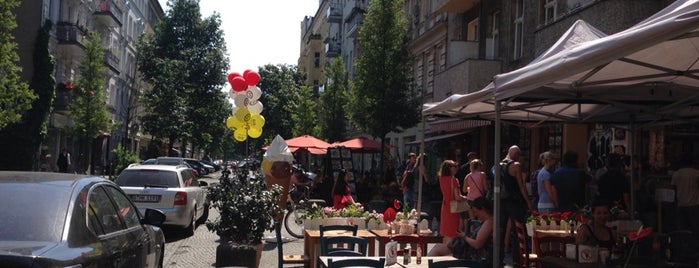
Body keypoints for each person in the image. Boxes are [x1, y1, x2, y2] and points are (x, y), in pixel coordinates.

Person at [429, 196, 493, 262]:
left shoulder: (489, 223)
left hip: (470, 255)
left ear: (483, 209)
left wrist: (464, 237)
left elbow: (477, 244)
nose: (475, 215)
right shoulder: (486, 222)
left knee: (437, 249)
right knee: (438, 248)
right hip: (466, 251)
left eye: (476, 212)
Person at [437, 159, 467, 243]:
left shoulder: (441, 178)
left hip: (445, 205)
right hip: (453, 207)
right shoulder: (454, 180)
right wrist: (467, 198)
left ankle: (443, 250)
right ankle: (449, 251)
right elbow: (458, 197)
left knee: (446, 232)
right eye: (454, 166)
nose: (456, 168)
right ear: (449, 168)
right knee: (452, 231)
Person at [670, 154, 699, 237]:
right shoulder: (696, 173)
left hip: (681, 203)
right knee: (695, 228)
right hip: (694, 204)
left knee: (681, 228)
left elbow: (673, 189)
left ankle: (682, 244)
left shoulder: (676, 174)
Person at [462, 159, 488, 229]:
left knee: (472, 219)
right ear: (479, 166)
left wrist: (470, 189)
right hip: (479, 199)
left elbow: (464, 190)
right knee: (481, 218)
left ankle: (472, 234)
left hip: (470, 199)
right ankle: (480, 234)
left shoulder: (468, 176)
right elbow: (485, 188)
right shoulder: (482, 174)